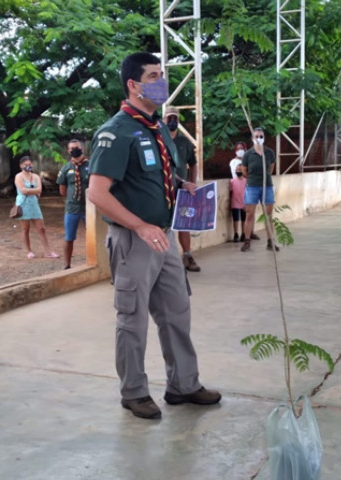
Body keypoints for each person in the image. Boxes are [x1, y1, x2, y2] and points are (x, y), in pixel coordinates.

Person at [87, 52, 221, 420]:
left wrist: (183, 186)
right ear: (133, 84)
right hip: (134, 241)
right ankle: (133, 392)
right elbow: (98, 193)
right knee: (132, 319)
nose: (161, 81)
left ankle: (184, 385)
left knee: (177, 312)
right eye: (153, 75)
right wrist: (139, 226)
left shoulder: (157, 127)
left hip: (165, 238)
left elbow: (155, 178)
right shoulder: (116, 131)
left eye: (162, 74)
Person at [163, 106, 201, 272]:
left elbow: (193, 163)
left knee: (183, 223)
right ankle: (164, 260)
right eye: (169, 118)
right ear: (163, 120)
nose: (172, 121)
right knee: (163, 224)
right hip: (163, 188)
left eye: (175, 118)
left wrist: (191, 183)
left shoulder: (184, 142)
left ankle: (187, 255)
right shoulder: (159, 140)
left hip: (183, 190)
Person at [240, 127, 278, 252]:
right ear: (252, 138)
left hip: (267, 185)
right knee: (250, 214)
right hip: (252, 186)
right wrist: (253, 178)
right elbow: (244, 171)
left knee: (268, 215)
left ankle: (270, 241)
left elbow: (271, 168)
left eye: (261, 136)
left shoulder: (269, 153)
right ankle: (247, 241)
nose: (259, 139)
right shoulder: (248, 154)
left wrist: (265, 177)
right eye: (256, 136)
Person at [14, 156, 59, 260]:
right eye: (25, 165)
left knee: (41, 228)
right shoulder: (18, 176)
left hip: (34, 204)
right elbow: (23, 190)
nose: (28, 166)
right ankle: (28, 251)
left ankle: (48, 251)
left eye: (30, 164)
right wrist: (34, 191)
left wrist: (30, 190)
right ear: (21, 166)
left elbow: (39, 190)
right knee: (25, 229)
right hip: (23, 205)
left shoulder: (36, 176)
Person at [56, 139, 90, 269]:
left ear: (82, 149)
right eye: (71, 148)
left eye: (76, 147)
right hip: (72, 208)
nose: (73, 150)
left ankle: (96, 261)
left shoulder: (91, 165)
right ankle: (67, 265)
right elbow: (62, 191)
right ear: (68, 151)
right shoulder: (66, 168)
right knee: (69, 237)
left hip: (89, 209)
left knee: (94, 236)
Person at [230, 164, 247, 242]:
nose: (238, 171)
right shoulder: (232, 181)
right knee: (236, 219)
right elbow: (231, 192)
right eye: (237, 170)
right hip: (235, 202)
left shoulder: (246, 181)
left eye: (240, 170)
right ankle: (236, 233)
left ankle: (243, 233)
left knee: (244, 219)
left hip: (244, 203)